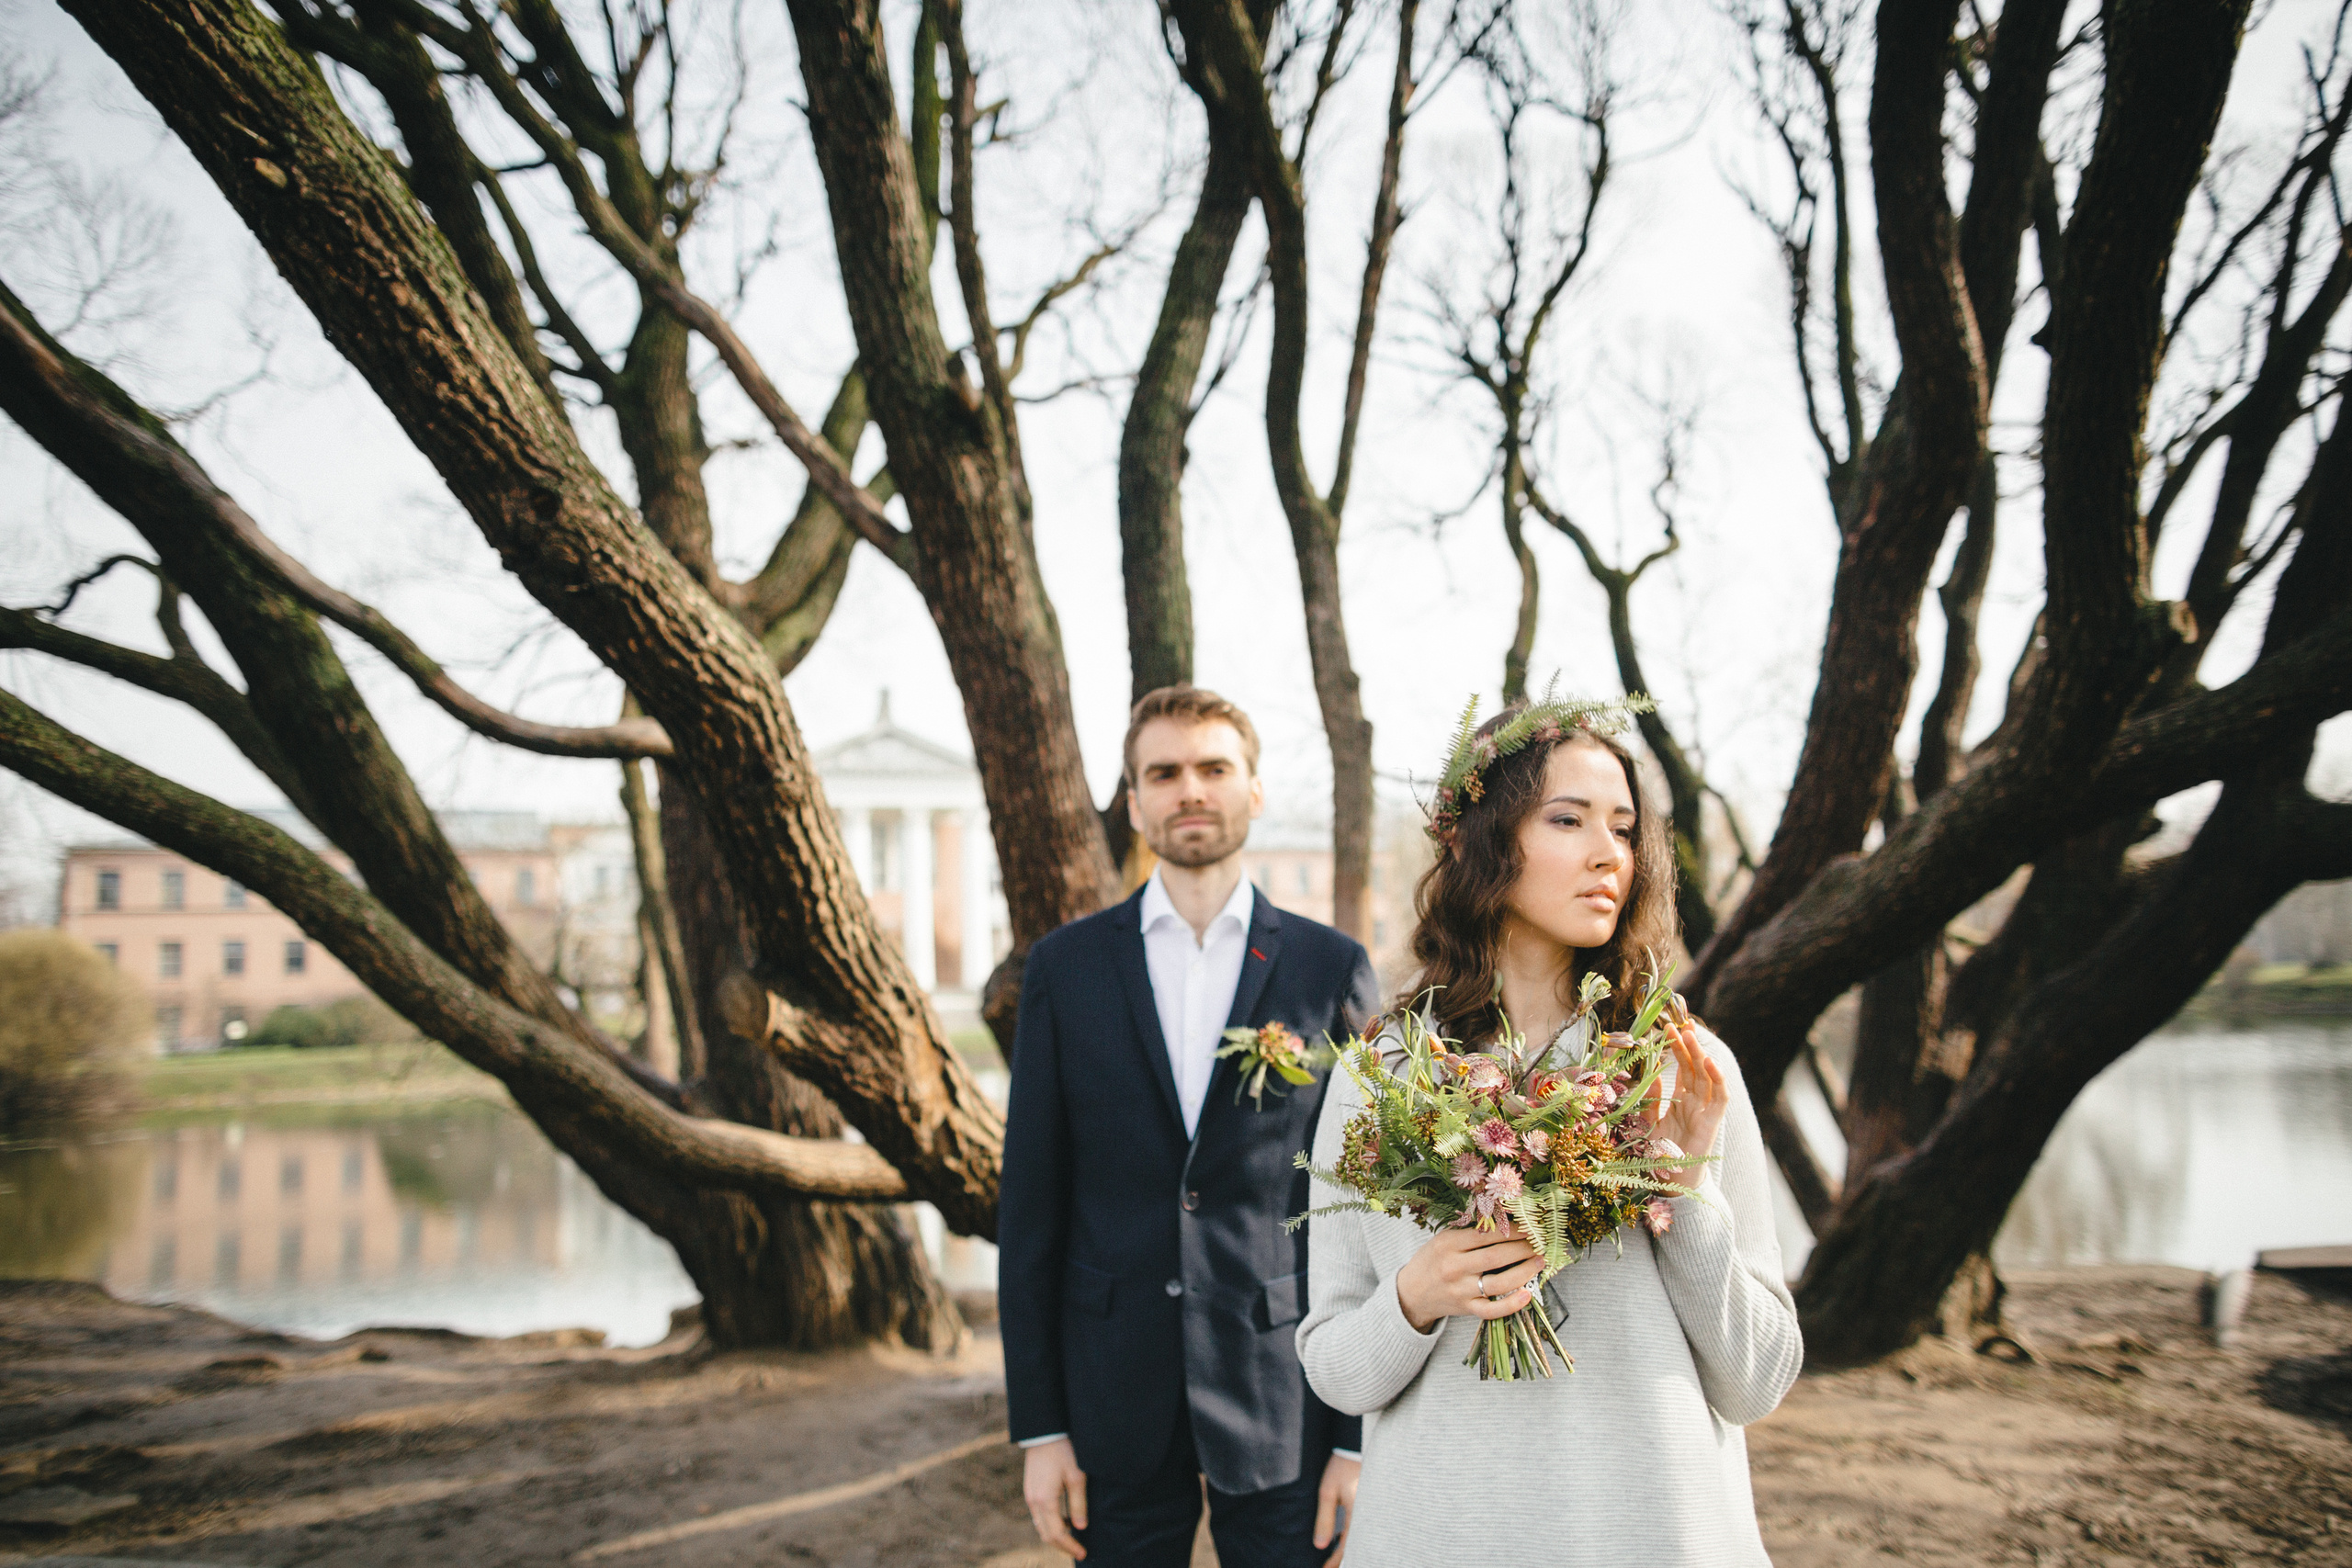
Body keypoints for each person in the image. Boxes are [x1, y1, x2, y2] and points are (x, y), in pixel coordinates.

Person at [1295, 701, 1803, 1566]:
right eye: (1567, 820)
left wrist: (1686, 1188)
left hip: (1659, 1533)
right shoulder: (1384, 1074)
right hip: (1440, 1536)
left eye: (1624, 827)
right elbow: (1336, 1366)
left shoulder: (1683, 1068)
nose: (1610, 852)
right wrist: (1419, 1293)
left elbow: (1757, 1379)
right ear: (1476, 839)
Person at [1000, 684, 1383, 1566]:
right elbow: (1030, 1213)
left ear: (1254, 790)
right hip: (1110, 1398)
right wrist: (1041, 1427)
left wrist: (1357, 1440)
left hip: (1287, 1390)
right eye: (1163, 773)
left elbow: (1369, 1211)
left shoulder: (1332, 967)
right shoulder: (1065, 968)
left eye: (1214, 768)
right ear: (1134, 802)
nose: (1190, 790)